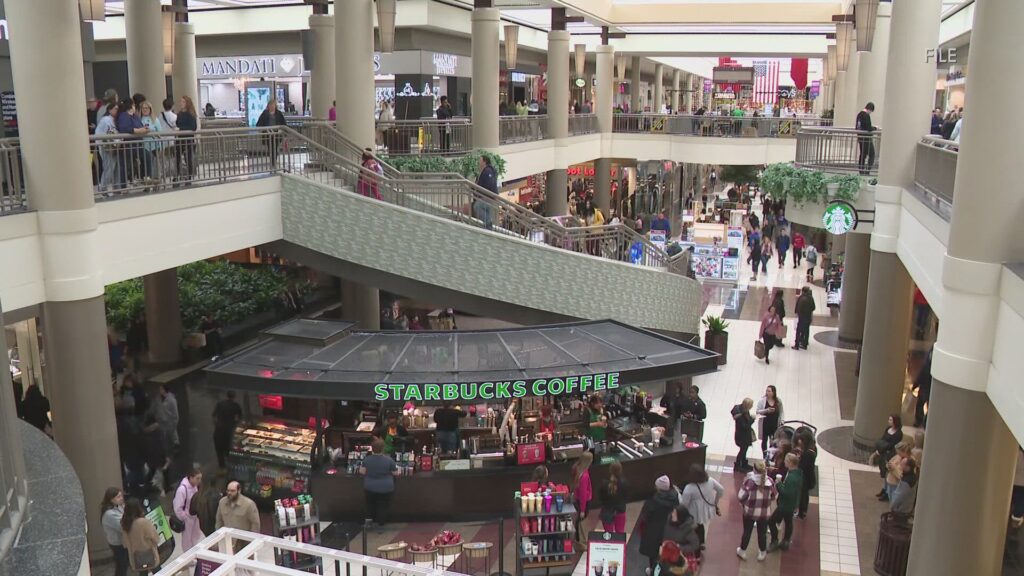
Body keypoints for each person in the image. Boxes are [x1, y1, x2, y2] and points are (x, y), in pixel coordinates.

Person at [638, 475, 681, 572]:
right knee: (667, 553)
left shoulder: (653, 501)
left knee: (653, 554)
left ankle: (654, 571)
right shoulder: (675, 497)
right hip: (669, 530)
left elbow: (645, 515)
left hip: (653, 530)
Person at [736, 461, 777, 562]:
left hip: (750, 513)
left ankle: (742, 550)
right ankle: (762, 552)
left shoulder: (750, 482)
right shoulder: (770, 481)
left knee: (747, 532)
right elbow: (775, 496)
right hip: (764, 513)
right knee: (762, 533)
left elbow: (741, 496)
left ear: (754, 470)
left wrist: (743, 503)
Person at [680, 463, 724, 551]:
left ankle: (696, 548)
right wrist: (716, 502)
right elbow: (721, 489)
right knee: (701, 525)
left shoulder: (689, 488)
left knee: (693, 528)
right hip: (707, 508)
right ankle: (702, 542)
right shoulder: (710, 481)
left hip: (694, 512)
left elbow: (684, 504)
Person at [360, 438, 399, 527]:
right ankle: (381, 522)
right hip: (386, 487)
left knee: (369, 504)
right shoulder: (389, 460)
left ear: (372, 448)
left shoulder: (367, 460)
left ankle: (369, 521)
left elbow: (362, 471)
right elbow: (395, 473)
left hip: (370, 486)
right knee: (383, 505)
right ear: (383, 448)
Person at [768, 453, 803, 552]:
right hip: (792, 504)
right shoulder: (798, 474)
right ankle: (786, 541)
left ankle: (774, 541)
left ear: (791, 463)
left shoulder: (792, 478)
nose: (784, 462)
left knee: (771, 521)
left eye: (786, 461)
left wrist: (779, 484)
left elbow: (786, 492)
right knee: (788, 522)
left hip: (785, 505)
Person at [869, 414, 904, 500]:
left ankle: (887, 492)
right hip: (884, 453)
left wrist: (881, 449)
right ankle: (884, 489)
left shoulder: (899, 433)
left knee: (888, 473)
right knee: (884, 473)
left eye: (891, 420)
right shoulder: (888, 429)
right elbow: (883, 439)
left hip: (890, 454)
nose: (889, 421)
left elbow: (891, 445)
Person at [121, 498, 160, 575]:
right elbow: (155, 537)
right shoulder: (144, 522)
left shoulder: (124, 524)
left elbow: (125, 543)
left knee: (142, 573)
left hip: (135, 556)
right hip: (149, 553)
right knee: (158, 572)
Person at [173, 468, 204, 552]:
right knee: (187, 540)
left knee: (195, 536)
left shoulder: (196, 487)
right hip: (188, 518)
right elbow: (177, 507)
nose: (199, 481)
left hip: (195, 516)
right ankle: (188, 558)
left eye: (200, 478)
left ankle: (195, 553)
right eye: (197, 478)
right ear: (190, 478)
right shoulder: (182, 490)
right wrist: (185, 517)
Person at [102, 488, 130, 576]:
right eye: (118, 497)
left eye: (121, 496)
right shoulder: (109, 514)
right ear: (111, 499)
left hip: (122, 541)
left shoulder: (120, 506)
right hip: (117, 544)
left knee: (124, 564)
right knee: (121, 565)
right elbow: (123, 526)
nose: (121, 498)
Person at [213, 390, 243, 469]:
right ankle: (230, 467)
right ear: (234, 396)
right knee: (228, 451)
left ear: (227, 395)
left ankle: (222, 467)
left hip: (218, 431)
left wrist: (216, 424)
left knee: (219, 451)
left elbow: (214, 416)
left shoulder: (220, 404)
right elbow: (240, 417)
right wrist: (235, 424)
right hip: (229, 432)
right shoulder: (236, 405)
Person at [96, 102, 121, 190]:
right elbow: (100, 133)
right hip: (106, 147)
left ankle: (117, 187)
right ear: (110, 110)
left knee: (116, 168)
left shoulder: (116, 120)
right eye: (115, 109)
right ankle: (103, 188)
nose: (117, 111)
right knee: (109, 168)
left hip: (115, 147)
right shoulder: (105, 120)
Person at [599, 460, 628, 533]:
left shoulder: (604, 484)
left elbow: (601, 498)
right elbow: (626, 497)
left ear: (610, 470)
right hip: (620, 510)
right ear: (621, 470)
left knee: (608, 535)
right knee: (620, 534)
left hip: (607, 511)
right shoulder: (625, 483)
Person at [256, 99, 287, 166]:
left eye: (273, 105)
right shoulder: (265, 113)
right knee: (270, 148)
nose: (272, 106)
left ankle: (274, 161)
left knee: (275, 147)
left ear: (275, 106)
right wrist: (262, 129)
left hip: (276, 134)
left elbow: (283, 123)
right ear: (268, 106)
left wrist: (282, 130)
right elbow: (259, 123)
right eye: (270, 105)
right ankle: (272, 161)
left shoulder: (279, 113)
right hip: (268, 134)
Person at [795, 431, 817, 518]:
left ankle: (801, 512)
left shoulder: (808, 454)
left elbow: (802, 466)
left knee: (803, 495)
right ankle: (803, 511)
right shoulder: (813, 449)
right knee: (804, 495)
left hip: (805, 478)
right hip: (809, 477)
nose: (799, 442)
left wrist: (798, 458)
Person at [151, 384, 179, 453]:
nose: (159, 390)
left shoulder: (171, 400)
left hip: (170, 423)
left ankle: (175, 449)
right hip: (164, 423)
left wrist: (173, 424)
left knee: (172, 438)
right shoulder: (161, 399)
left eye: (161, 389)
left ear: (164, 390)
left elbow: (175, 414)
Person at [756, 385, 784, 454]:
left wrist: (782, 420)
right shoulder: (762, 401)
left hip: (774, 424)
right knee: (764, 440)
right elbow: (758, 411)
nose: (767, 392)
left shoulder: (778, 401)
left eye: (769, 391)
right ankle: (765, 454)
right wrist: (766, 410)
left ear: (773, 392)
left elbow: (781, 411)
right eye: (766, 391)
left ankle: (771, 454)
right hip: (765, 424)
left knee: (774, 440)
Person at [731, 399, 755, 471]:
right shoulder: (741, 414)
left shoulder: (741, 409)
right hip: (742, 436)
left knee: (744, 450)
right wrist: (752, 419)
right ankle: (738, 465)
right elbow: (744, 426)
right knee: (743, 450)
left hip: (743, 435)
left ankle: (744, 463)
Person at [474, 155, 497, 230]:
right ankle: (488, 227)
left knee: (477, 206)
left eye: (480, 160)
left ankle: (488, 223)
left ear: (484, 162)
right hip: (486, 196)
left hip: (487, 196)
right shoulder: (484, 171)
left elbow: (490, 184)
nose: (478, 162)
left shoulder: (488, 171)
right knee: (486, 210)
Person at [912, 349, 932, 427]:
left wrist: (916, 384)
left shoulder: (927, 364)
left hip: (925, 387)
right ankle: (924, 422)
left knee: (921, 404)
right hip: (929, 387)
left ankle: (920, 421)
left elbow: (923, 372)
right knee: (927, 405)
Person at [570, 451, 593, 518]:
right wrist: (583, 510)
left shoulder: (577, 468)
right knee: (580, 520)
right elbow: (583, 493)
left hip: (576, 497)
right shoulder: (584, 476)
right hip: (583, 501)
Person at [855, 102, 876, 174]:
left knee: (863, 154)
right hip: (867, 139)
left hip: (860, 137)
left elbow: (857, 127)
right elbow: (869, 128)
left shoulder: (859, 114)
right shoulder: (866, 115)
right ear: (870, 109)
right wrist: (875, 128)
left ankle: (861, 170)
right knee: (872, 154)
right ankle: (867, 170)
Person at [793, 286, 816, 350]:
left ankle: (796, 345)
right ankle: (805, 344)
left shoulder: (801, 298)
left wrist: (798, 314)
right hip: (808, 317)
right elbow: (813, 307)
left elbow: (798, 308)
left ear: (802, 291)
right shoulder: (811, 298)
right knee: (806, 331)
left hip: (802, 318)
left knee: (798, 331)